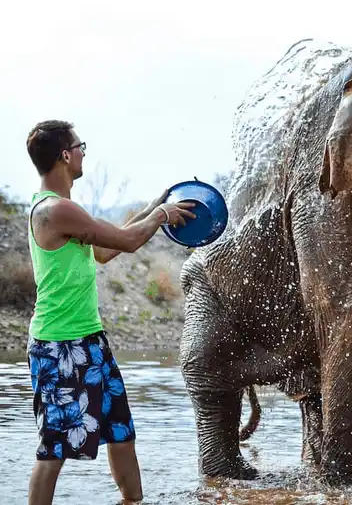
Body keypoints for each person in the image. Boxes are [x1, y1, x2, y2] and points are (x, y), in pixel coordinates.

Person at [24, 120, 196, 505]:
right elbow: (129, 242)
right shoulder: (55, 211)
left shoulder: (66, 211)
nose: (84, 151)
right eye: (79, 145)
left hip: (90, 339)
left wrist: (155, 205)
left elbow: (105, 251)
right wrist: (163, 216)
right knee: (54, 448)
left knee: (121, 433)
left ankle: (133, 500)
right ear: (65, 156)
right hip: (58, 345)